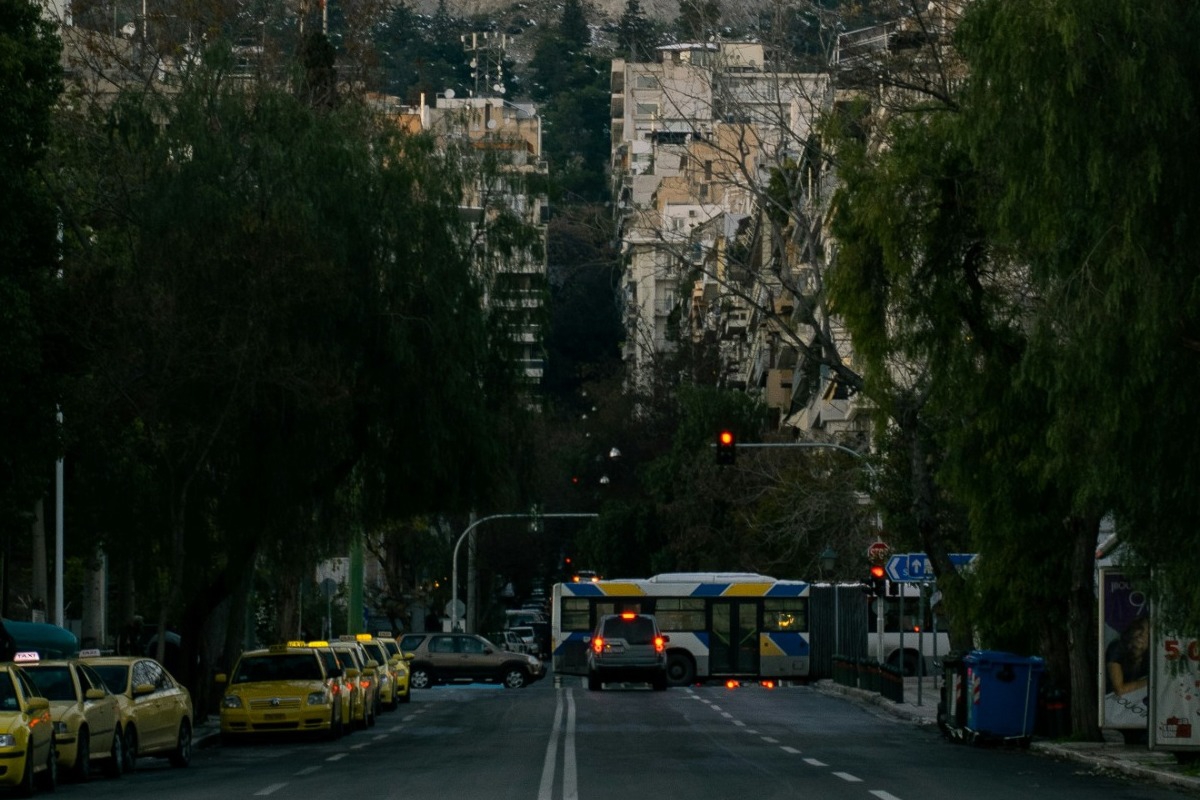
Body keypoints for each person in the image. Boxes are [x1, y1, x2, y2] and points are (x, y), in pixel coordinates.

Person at [1107, 614, 1150, 696]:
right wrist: (1151, 680)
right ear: (1132, 629)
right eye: (1140, 628)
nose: (1142, 635)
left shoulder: (1151, 656)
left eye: (1148, 633)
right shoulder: (1117, 648)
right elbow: (1119, 689)